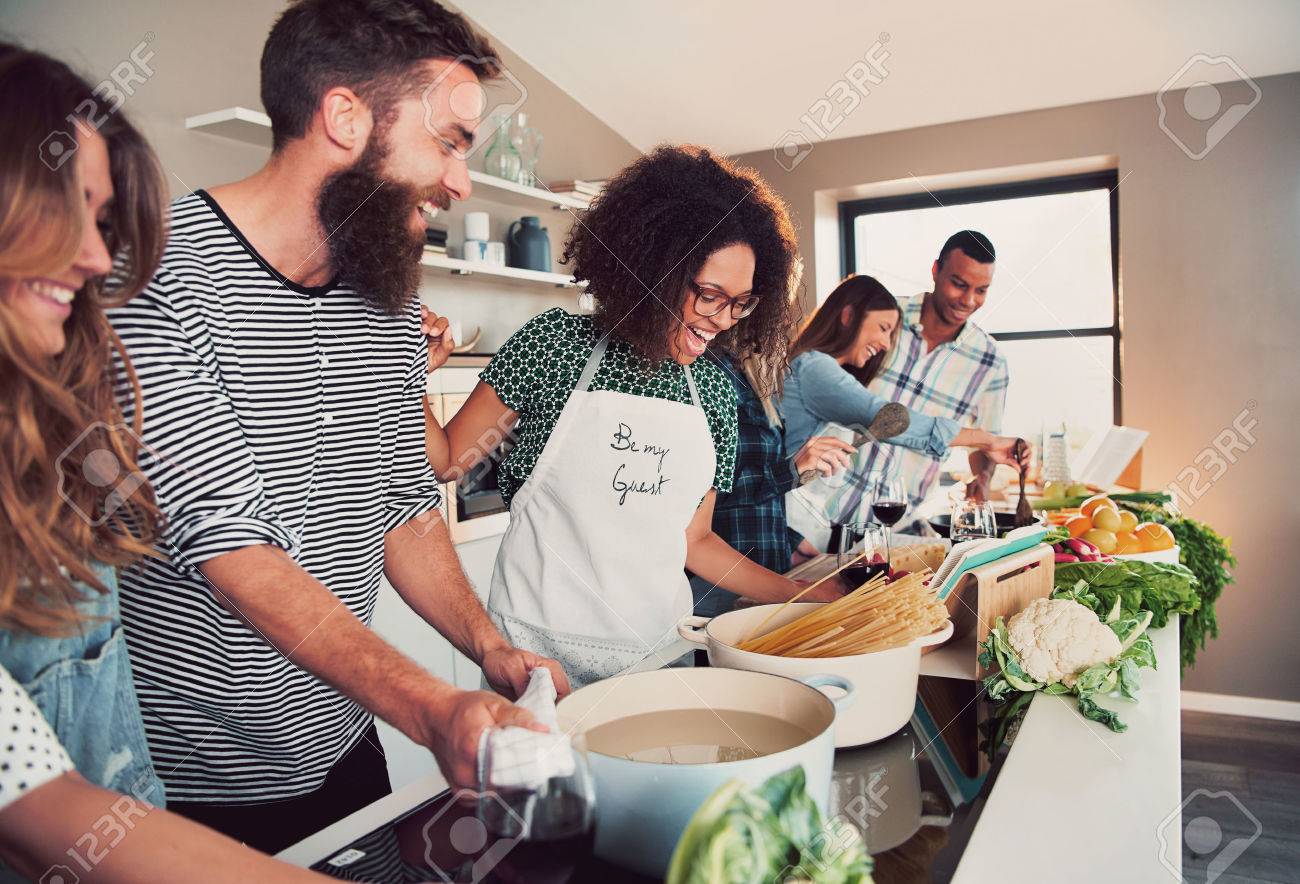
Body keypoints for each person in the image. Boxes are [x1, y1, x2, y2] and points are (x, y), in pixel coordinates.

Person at [105, 0, 562, 854]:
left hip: (346, 744)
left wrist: (491, 647)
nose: (460, 181)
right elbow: (234, 549)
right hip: (189, 782)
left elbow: (404, 505)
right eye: (452, 142)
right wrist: (432, 707)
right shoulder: (156, 280)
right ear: (345, 117)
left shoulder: (384, 302)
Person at [0, 43, 331, 882]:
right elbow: (39, 800)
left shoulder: (51, 436)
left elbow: (136, 517)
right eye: (68, 208)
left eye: (103, 221)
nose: (98, 258)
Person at [424, 145, 842, 688]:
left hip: (658, 658)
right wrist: (417, 374)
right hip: (534, 661)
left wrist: (803, 595)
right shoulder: (554, 346)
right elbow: (450, 462)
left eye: (740, 303)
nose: (721, 319)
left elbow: (697, 542)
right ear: (656, 270)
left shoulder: (713, 388)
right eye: (709, 294)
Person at [781, 274, 1024, 552]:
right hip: (797, 527)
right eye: (883, 328)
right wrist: (988, 440)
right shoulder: (815, 368)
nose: (886, 344)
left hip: (809, 532)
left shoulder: (822, 369)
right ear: (848, 316)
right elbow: (889, 420)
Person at [841, 231, 1012, 528]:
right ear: (935, 270)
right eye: (959, 284)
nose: (968, 300)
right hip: (820, 510)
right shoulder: (882, 318)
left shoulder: (990, 363)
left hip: (897, 525)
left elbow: (986, 443)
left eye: (981, 290)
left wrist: (981, 481)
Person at [687, 346, 855, 618]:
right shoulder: (707, 370)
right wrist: (790, 470)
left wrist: (789, 539)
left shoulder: (754, 375)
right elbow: (699, 495)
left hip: (767, 574)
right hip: (721, 584)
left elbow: (752, 497)